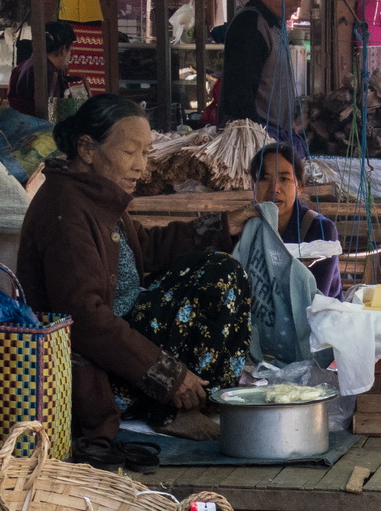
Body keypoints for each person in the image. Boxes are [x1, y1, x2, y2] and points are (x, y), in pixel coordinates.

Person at [18, 96, 258, 452]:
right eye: (131, 152)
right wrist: (168, 375)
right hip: (97, 366)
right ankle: (167, 407)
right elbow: (84, 318)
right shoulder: (64, 209)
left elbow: (144, 247)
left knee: (222, 272)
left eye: (146, 153)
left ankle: (202, 397)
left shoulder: (97, 195)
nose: (141, 167)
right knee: (219, 280)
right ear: (87, 148)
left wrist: (224, 226)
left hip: (126, 334)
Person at [251, 143, 342, 299]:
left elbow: (314, 301)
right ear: (254, 186)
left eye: (284, 179)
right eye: (264, 179)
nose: (274, 189)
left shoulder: (320, 229)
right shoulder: (248, 228)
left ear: (299, 186)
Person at [219, 0, 305, 153]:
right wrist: (259, 140)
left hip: (273, 137)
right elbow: (240, 96)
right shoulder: (250, 25)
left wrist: (289, 121)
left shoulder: (275, 24)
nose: (299, 4)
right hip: (255, 141)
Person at [8, 21, 76, 116]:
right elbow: (52, 115)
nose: (69, 56)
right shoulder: (47, 73)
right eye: (70, 50)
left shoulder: (28, 64)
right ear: (63, 49)